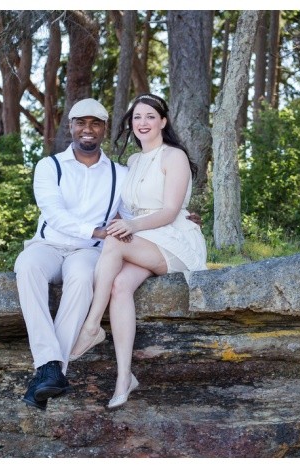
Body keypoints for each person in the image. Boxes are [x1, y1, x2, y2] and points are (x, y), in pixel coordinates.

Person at [70, 93, 207, 409]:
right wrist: (123, 223)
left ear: (163, 121)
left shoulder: (174, 157)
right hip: (147, 238)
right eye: (137, 118)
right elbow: (127, 209)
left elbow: (170, 211)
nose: (142, 123)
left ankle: (91, 327)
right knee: (120, 286)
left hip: (175, 241)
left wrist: (130, 227)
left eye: (149, 116)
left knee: (115, 240)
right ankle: (124, 378)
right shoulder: (132, 161)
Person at [14, 98, 129, 410]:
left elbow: (138, 213)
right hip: (47, 246)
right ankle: (50, 367)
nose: (87, 129)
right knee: (26, 267)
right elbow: (53, 213)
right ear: (71, 127)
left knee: (80, 278)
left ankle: (49, 374)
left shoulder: (121, 173)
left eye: (95, 123)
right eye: (81, 122)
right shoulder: (49, 166)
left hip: (88, 251)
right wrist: (97, 230)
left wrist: (179, 217)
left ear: (104, 128)